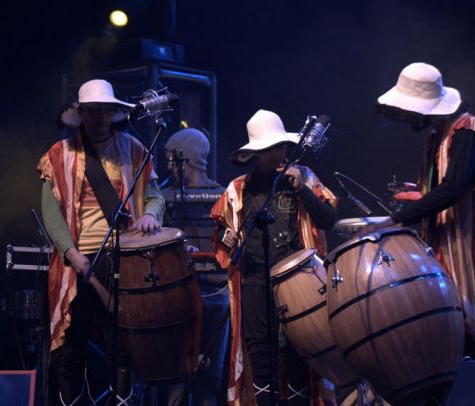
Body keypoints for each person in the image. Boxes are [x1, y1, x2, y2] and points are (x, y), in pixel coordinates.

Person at [38, 79, 165, 405]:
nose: (99, 118)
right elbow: (51, 214)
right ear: (81, 114)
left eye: (105, 112)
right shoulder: (59, 154)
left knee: (122, 345)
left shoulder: (133, 149)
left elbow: (155, 197)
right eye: (93, 111)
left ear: (113, 114)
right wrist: (71, 252)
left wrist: (151, 213)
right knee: (71, 345)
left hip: (125, 257)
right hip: (79, 259)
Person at [210, 109, 338, 405]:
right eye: (270, 149)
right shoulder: (238, 188)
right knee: (261, 357)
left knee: (297, 354)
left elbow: (328, 219)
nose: (278, 153)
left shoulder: (303, 177)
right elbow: (223, 235)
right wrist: (228, 239)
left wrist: (302, 190)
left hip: (298, 282)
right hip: (255, 280)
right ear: (258, 152)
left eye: (281, 146)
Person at [371, 62, 475, 356]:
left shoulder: (467, 132)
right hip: (443, 241)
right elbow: (442, 188)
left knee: (461, 328)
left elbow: (453, 188)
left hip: (463, 243)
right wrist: (418, 195)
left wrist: (398, 218)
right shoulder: (439, 134)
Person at [162, 128, 230, 405]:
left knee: (211, 375)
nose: (167, 165)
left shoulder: (223, 196)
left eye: (170, 158)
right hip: (179, 294)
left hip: (216, 293)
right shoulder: (163, 197)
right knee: (176, 373)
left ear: (185, 157)